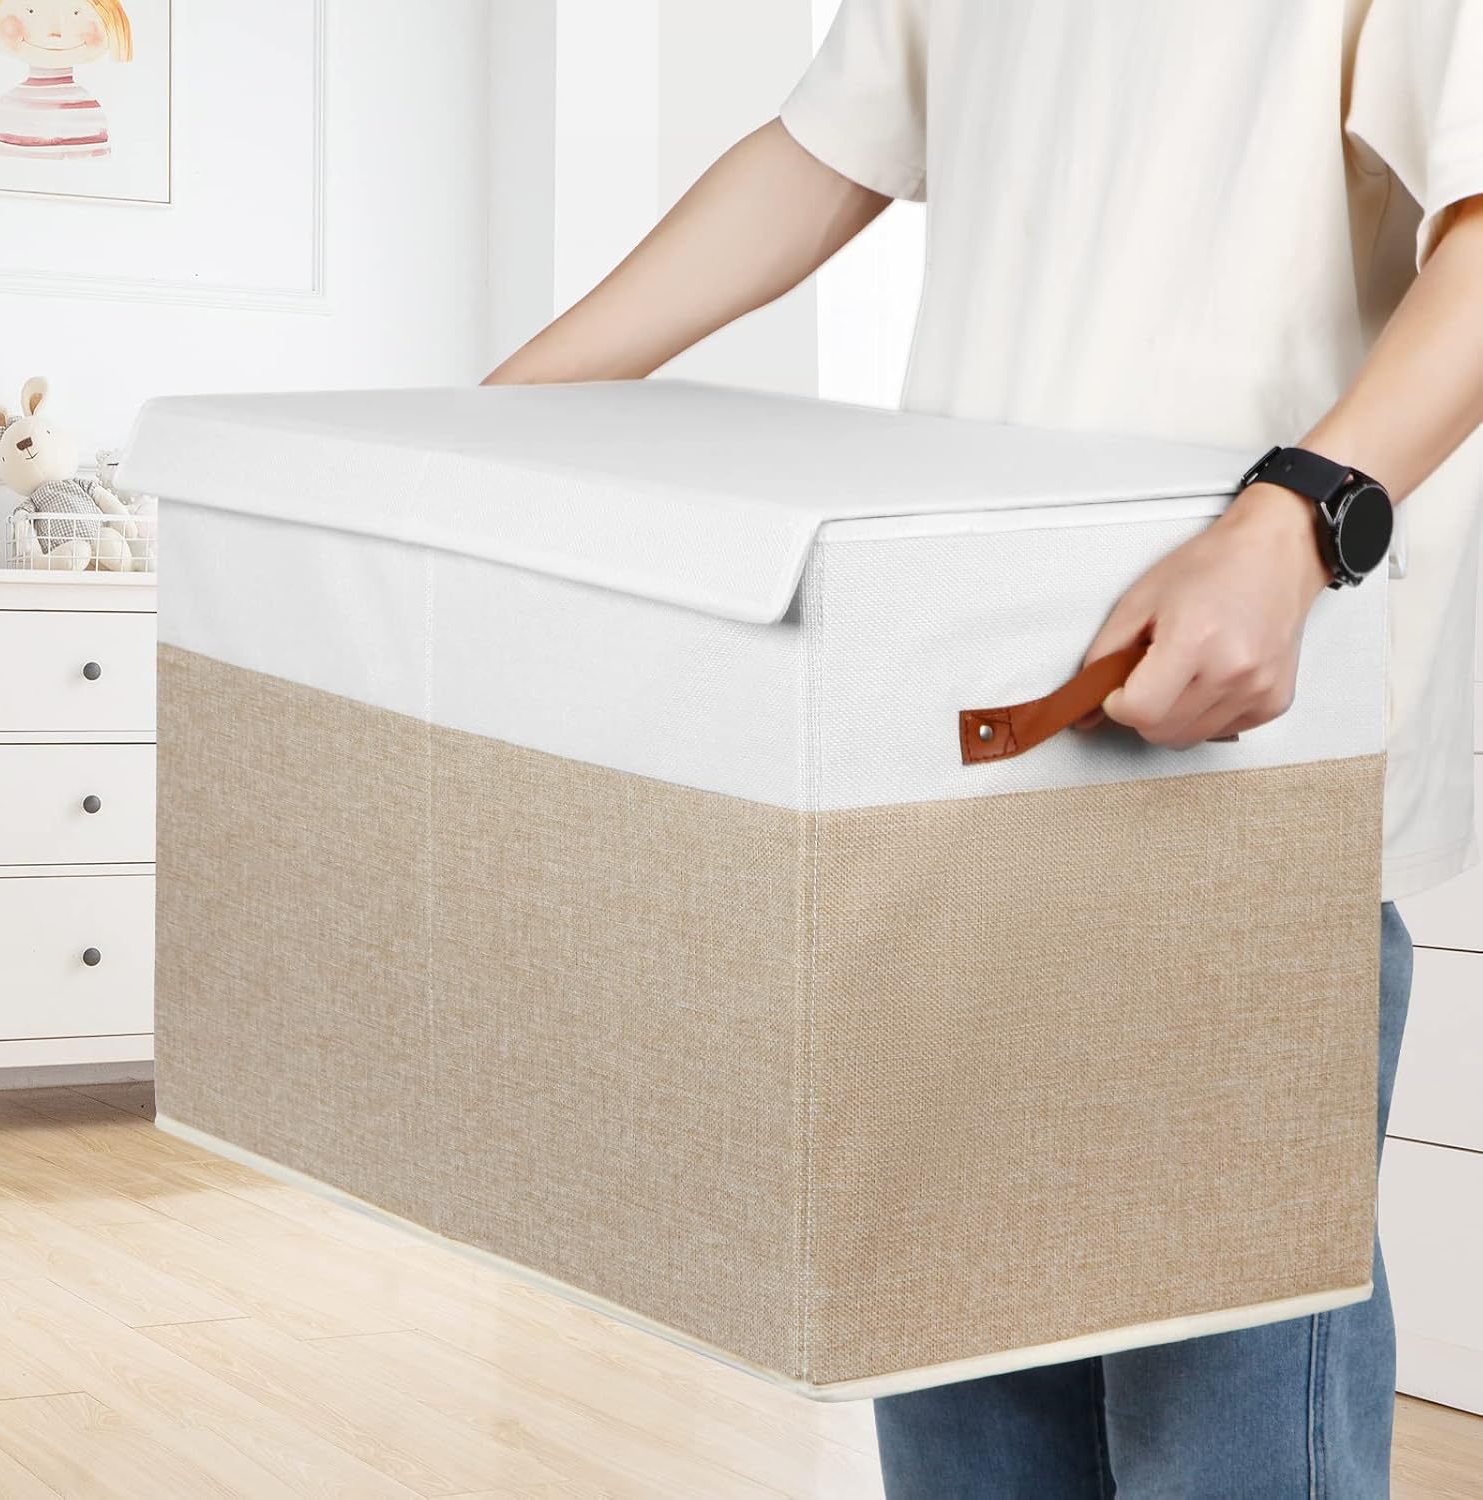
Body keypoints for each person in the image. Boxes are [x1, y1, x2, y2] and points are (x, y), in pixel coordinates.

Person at [484, 3, 1483, 1492]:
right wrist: (501, 418)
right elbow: (824, 153)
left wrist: (1297, 520)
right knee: (962, 1402)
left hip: (1242, 760)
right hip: (961, 732)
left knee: (1224, 1428)